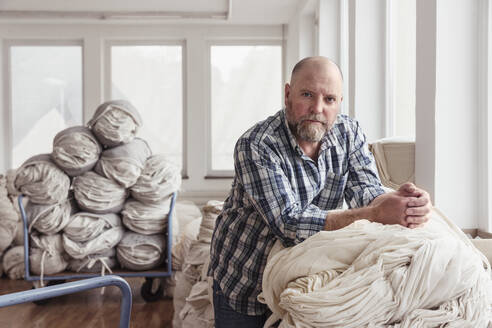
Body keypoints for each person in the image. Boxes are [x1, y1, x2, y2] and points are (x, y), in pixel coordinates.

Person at [208, 56, 432, 328]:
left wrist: (402, 202)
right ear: (288, 94)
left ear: (340, 102)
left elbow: (366, 189)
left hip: (299, 281)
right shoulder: (256, 144)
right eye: (307, 94)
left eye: (329, 99)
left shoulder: (349, 132)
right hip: (245, 278)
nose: (317, 108)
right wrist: (376, 214)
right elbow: (288, 223)